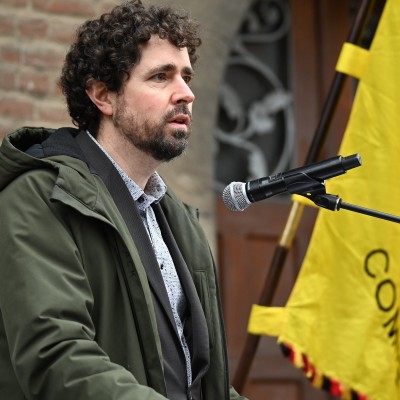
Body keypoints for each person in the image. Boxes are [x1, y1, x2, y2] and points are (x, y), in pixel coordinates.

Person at [0, 1, 247, 399]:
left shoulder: (179, 221)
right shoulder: (40, 196)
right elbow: (57, 358)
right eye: (160, 77)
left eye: (186, 76)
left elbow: (200, 382)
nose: (186, 93)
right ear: (103, 95)